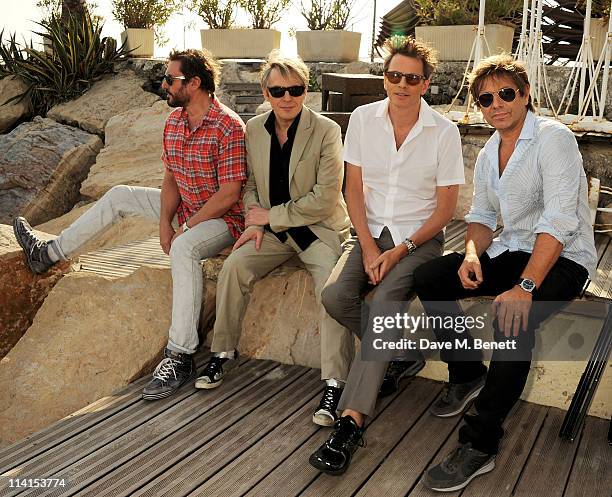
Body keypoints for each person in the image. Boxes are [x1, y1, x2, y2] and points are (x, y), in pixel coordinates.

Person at [12, 48, 248, 401]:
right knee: (121, 194)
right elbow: (171, 177)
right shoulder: (174, 121)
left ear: (195, 83)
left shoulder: (228, 126)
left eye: (171, 79)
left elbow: (230, 194)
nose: (164, 85)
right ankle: (48, 253)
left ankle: (180, 355)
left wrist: (183, 230)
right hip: (187, 209)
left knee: (184, 248)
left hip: (223, 220)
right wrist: (165, 222)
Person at [411, 54, 597, 492]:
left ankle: (480, 443)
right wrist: (473, 253)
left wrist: (525, 288)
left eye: (506, 94)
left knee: (512, 322)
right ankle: (467, 373)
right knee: (431, 278)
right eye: (486, 98)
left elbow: (558, 221)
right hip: (513, 249)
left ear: (526, 95)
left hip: (565, 258)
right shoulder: (490, 150)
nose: (496, 104)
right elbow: (479, 215)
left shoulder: (554, 139)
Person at [309, 35, 465, 474]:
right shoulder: (361, 119)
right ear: (385, 78)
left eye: (411, 78)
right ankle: (397, 353)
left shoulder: (445, 132)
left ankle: (351, 423)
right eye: (394, 75)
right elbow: (353, 189)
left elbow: (446, 210)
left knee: (380, 310)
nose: (401, 84)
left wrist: (399, 251)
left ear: (426, 83)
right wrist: (369, 244)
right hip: (368, 234)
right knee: (336, 296)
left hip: (419, 240)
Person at [195, 51, 354, 427]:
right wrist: (255, 220)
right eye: (278, 90)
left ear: (306, 90)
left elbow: (326, 198)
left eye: (295, 89)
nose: (287, 98)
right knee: (234, 267)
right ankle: (221, 353)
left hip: (319, 230)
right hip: (270, 232)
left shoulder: (327, 131)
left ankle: (335, 381)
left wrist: (271, 216)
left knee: (330, 288)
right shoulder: (253, 129)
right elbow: (249, 185)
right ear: (265, 92)